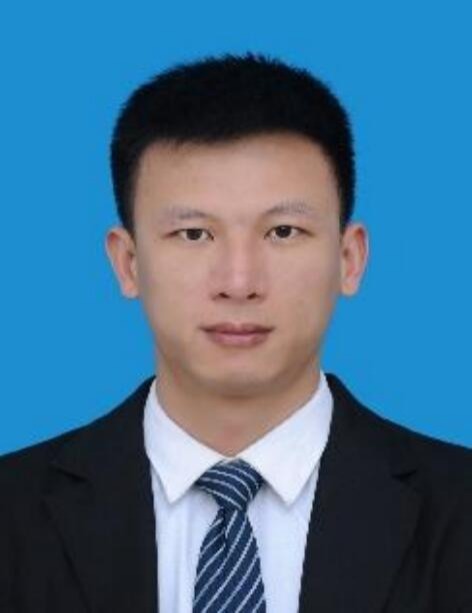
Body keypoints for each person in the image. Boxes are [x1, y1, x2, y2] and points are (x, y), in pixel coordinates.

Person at [0, 52, 471, 613]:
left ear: (350, 258)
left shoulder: (458, 510)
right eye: (194, 234)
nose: (239, 283)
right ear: (128, 263)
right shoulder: (13, 513)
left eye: (283, 231)